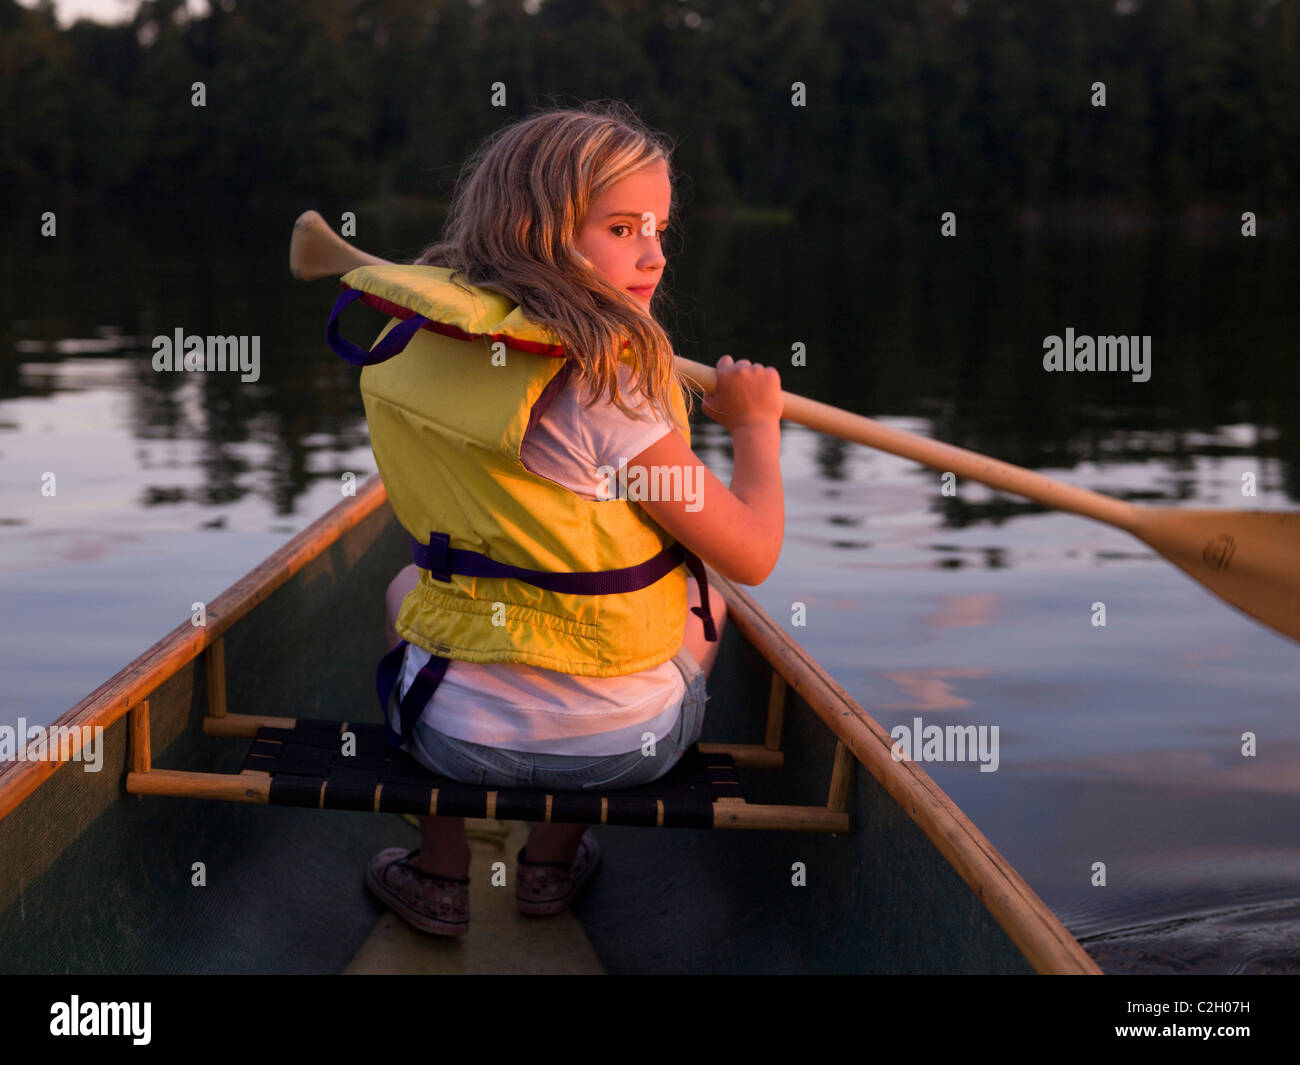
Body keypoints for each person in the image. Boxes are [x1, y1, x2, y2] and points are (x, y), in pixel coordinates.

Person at [357, 102, 784, 936]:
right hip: (618, 751)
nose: (654, 255)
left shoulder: (424, 336)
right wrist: (756, 430)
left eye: (658, 228)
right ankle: (550, 859)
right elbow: (755, 550)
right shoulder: (617, 389)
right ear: (535, 229)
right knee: (714, 600)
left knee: (408, 584)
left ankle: (441, 872)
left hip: (451, 736)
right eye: (622, 228)